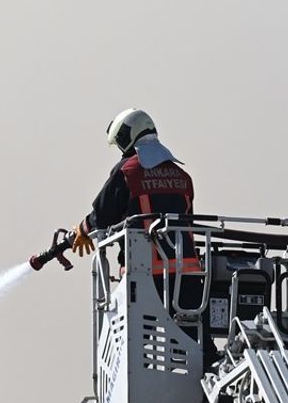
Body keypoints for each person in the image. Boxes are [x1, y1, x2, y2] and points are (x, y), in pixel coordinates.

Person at [70, 108, 200, 278]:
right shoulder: (183, 176)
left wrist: (82, 229)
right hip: (189, 275)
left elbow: (103, 215)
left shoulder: (128, 171)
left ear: (127, 138)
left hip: (145, 276)